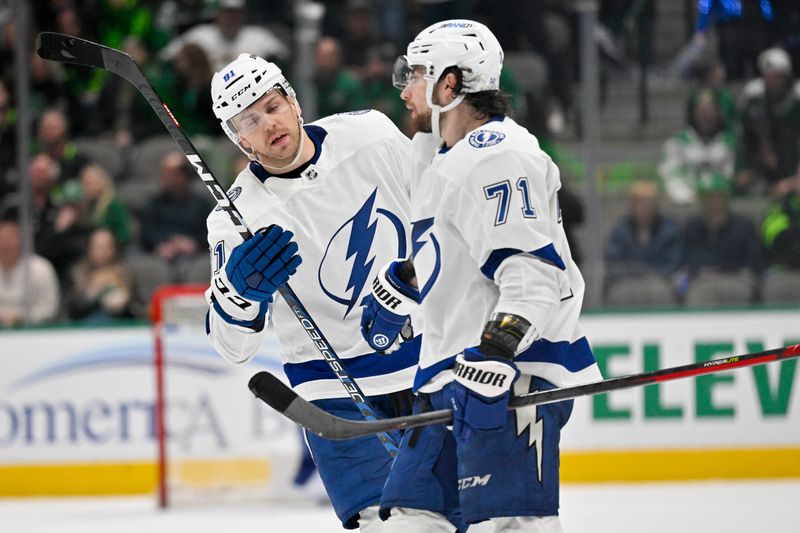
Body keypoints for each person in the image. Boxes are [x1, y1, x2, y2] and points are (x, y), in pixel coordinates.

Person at [360, 20, 602, 532]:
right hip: (452, 376)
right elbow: (459, 252)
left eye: (416, 74)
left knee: (512, 526)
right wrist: (405, 281)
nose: (404, 88)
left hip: (509, 381)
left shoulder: (498, 154)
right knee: (411, 521)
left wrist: (497, 350)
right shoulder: (438, 154)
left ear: (451, 84)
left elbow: (534, 275)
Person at [204, 53, 434, 531]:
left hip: (426, 364)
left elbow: (438, 221)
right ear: (237, 139)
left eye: (272, 106)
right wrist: (238, 293)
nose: (268, 124)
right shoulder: (235, 220)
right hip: (334, 397)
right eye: (249, 121)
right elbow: (232, 348)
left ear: (293, 100)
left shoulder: (369, 134)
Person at [0, 220, 60, 327]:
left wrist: (22, 318)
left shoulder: (41, 268)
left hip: (34, 330)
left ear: (21, 241)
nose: (5, 245)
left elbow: (50, 307)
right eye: (2, 239)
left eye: (10, 239)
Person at [66, 227, 132, 322]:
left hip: (116, 329)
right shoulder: (77, 273)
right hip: (85, 330)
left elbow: (132, 313)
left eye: (108, 247)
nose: (104, 252)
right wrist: (91, 295)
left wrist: (123, 303)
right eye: (99, 247)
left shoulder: (124, 272)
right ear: (89, 249)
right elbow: (72, 311)